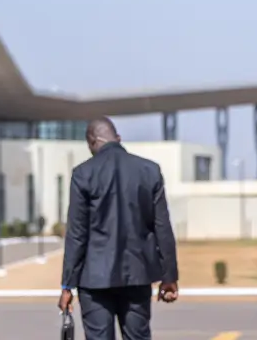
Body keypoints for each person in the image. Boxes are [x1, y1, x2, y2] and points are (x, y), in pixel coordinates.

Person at [59, 117, 178, 340]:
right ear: (118, 139)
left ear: (92, 142)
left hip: (94, 280)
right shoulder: (149, 171)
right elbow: (162, 227)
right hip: (137, 275)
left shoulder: (83, 173)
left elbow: (77, 234)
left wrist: (67, 284)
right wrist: (169, 276)